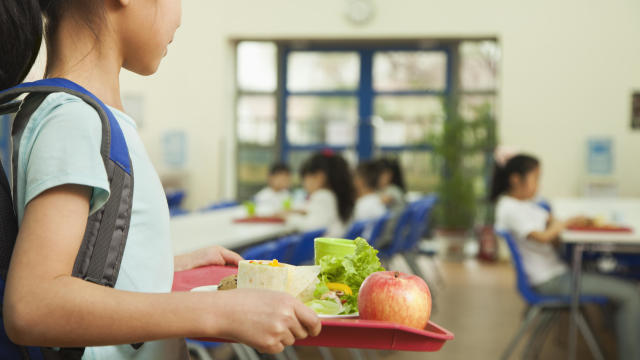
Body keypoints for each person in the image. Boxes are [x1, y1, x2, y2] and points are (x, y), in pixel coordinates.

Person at [0, 1, 320, 358]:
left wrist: (159, 268)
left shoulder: (85, 116)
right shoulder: (73, 121)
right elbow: (33, 306)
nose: (180, 16)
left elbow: (78, 269)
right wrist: (218, 313)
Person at [492, 154, 640, 360]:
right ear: (516, 179)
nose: (538, 185)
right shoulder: (509, 209)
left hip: (555, 274)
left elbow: (551, 225)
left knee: (618, 284)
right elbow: (543, 236)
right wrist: (565, 222)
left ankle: (626, 339)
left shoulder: (523, 204)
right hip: (550, 281)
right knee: (631, 293)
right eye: (535, 178)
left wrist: (565, 222)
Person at [285, 152, 355, 238]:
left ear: (319, 177)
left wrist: (287, 217)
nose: (304, 184)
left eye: (305, 178)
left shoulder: (323, 195)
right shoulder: (336, 195)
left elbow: (312, 228)